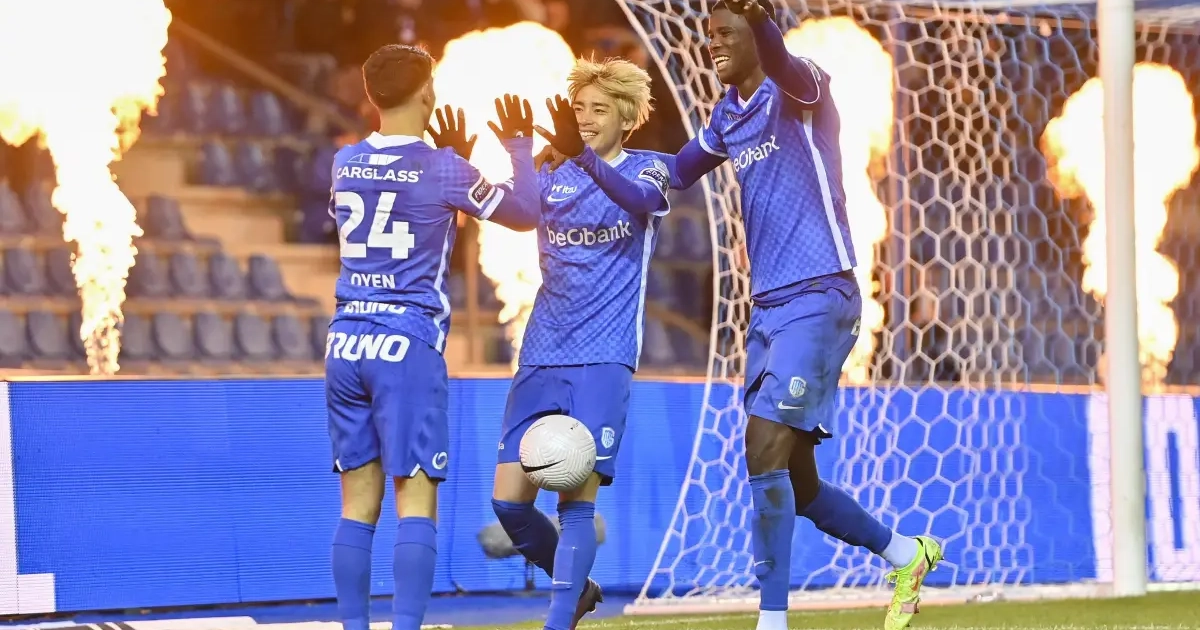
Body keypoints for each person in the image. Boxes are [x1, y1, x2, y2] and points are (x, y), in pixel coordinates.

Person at [538, 2, 942, 629]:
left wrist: (764, 26)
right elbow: (674, 174)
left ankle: (771, 621)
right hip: (768, 308)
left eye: (726, 32)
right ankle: (906, 555)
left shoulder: (801, 86)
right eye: (710, 35)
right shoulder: (728, 114)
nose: (712, 44)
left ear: (758, 33)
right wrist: (589, 157)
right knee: (799, 485)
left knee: (762, 448)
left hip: (819, 292)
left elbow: (780, 60)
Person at [432, 56, 670, 630]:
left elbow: (640, 202)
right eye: (578, 108)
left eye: (598, 109)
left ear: (628, 117)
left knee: (575, 504)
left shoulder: (649, 169)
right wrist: (463, 163)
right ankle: (578, 589)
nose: (584, 118)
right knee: (508, 503)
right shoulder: (549, 170)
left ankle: (559, 620)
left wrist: (583, 158)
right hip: (541, 354)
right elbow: (514, 210)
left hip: (604, 357)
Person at [325, 43, 540, 630]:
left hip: (346, 343)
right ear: (427, 92)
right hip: (406, 344)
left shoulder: (344, 162)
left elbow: (397, 203)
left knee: (357, 506)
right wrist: (517, 149)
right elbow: (525, 211)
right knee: (415, 503)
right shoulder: (443, 168)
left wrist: (451, 165)